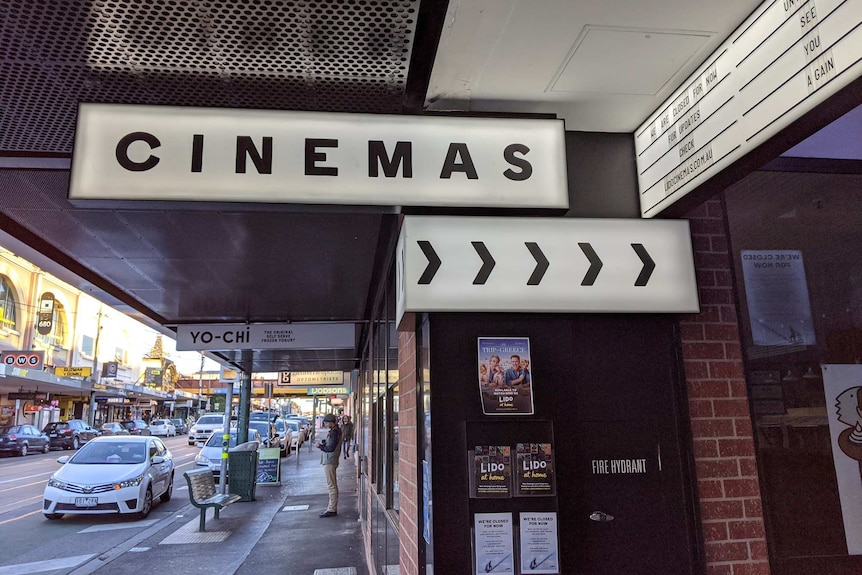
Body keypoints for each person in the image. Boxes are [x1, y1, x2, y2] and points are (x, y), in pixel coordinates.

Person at [317, 413, 342, 517]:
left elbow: (330, 448)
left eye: (326, 423)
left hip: (330, 460)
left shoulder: (334, 432)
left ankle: (332, 508)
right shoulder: (335, 431)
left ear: (331, 423)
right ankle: (332, 507)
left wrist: (320, 446)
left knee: (331, 485)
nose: (326, 424)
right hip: (331, 460)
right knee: (332, 484)